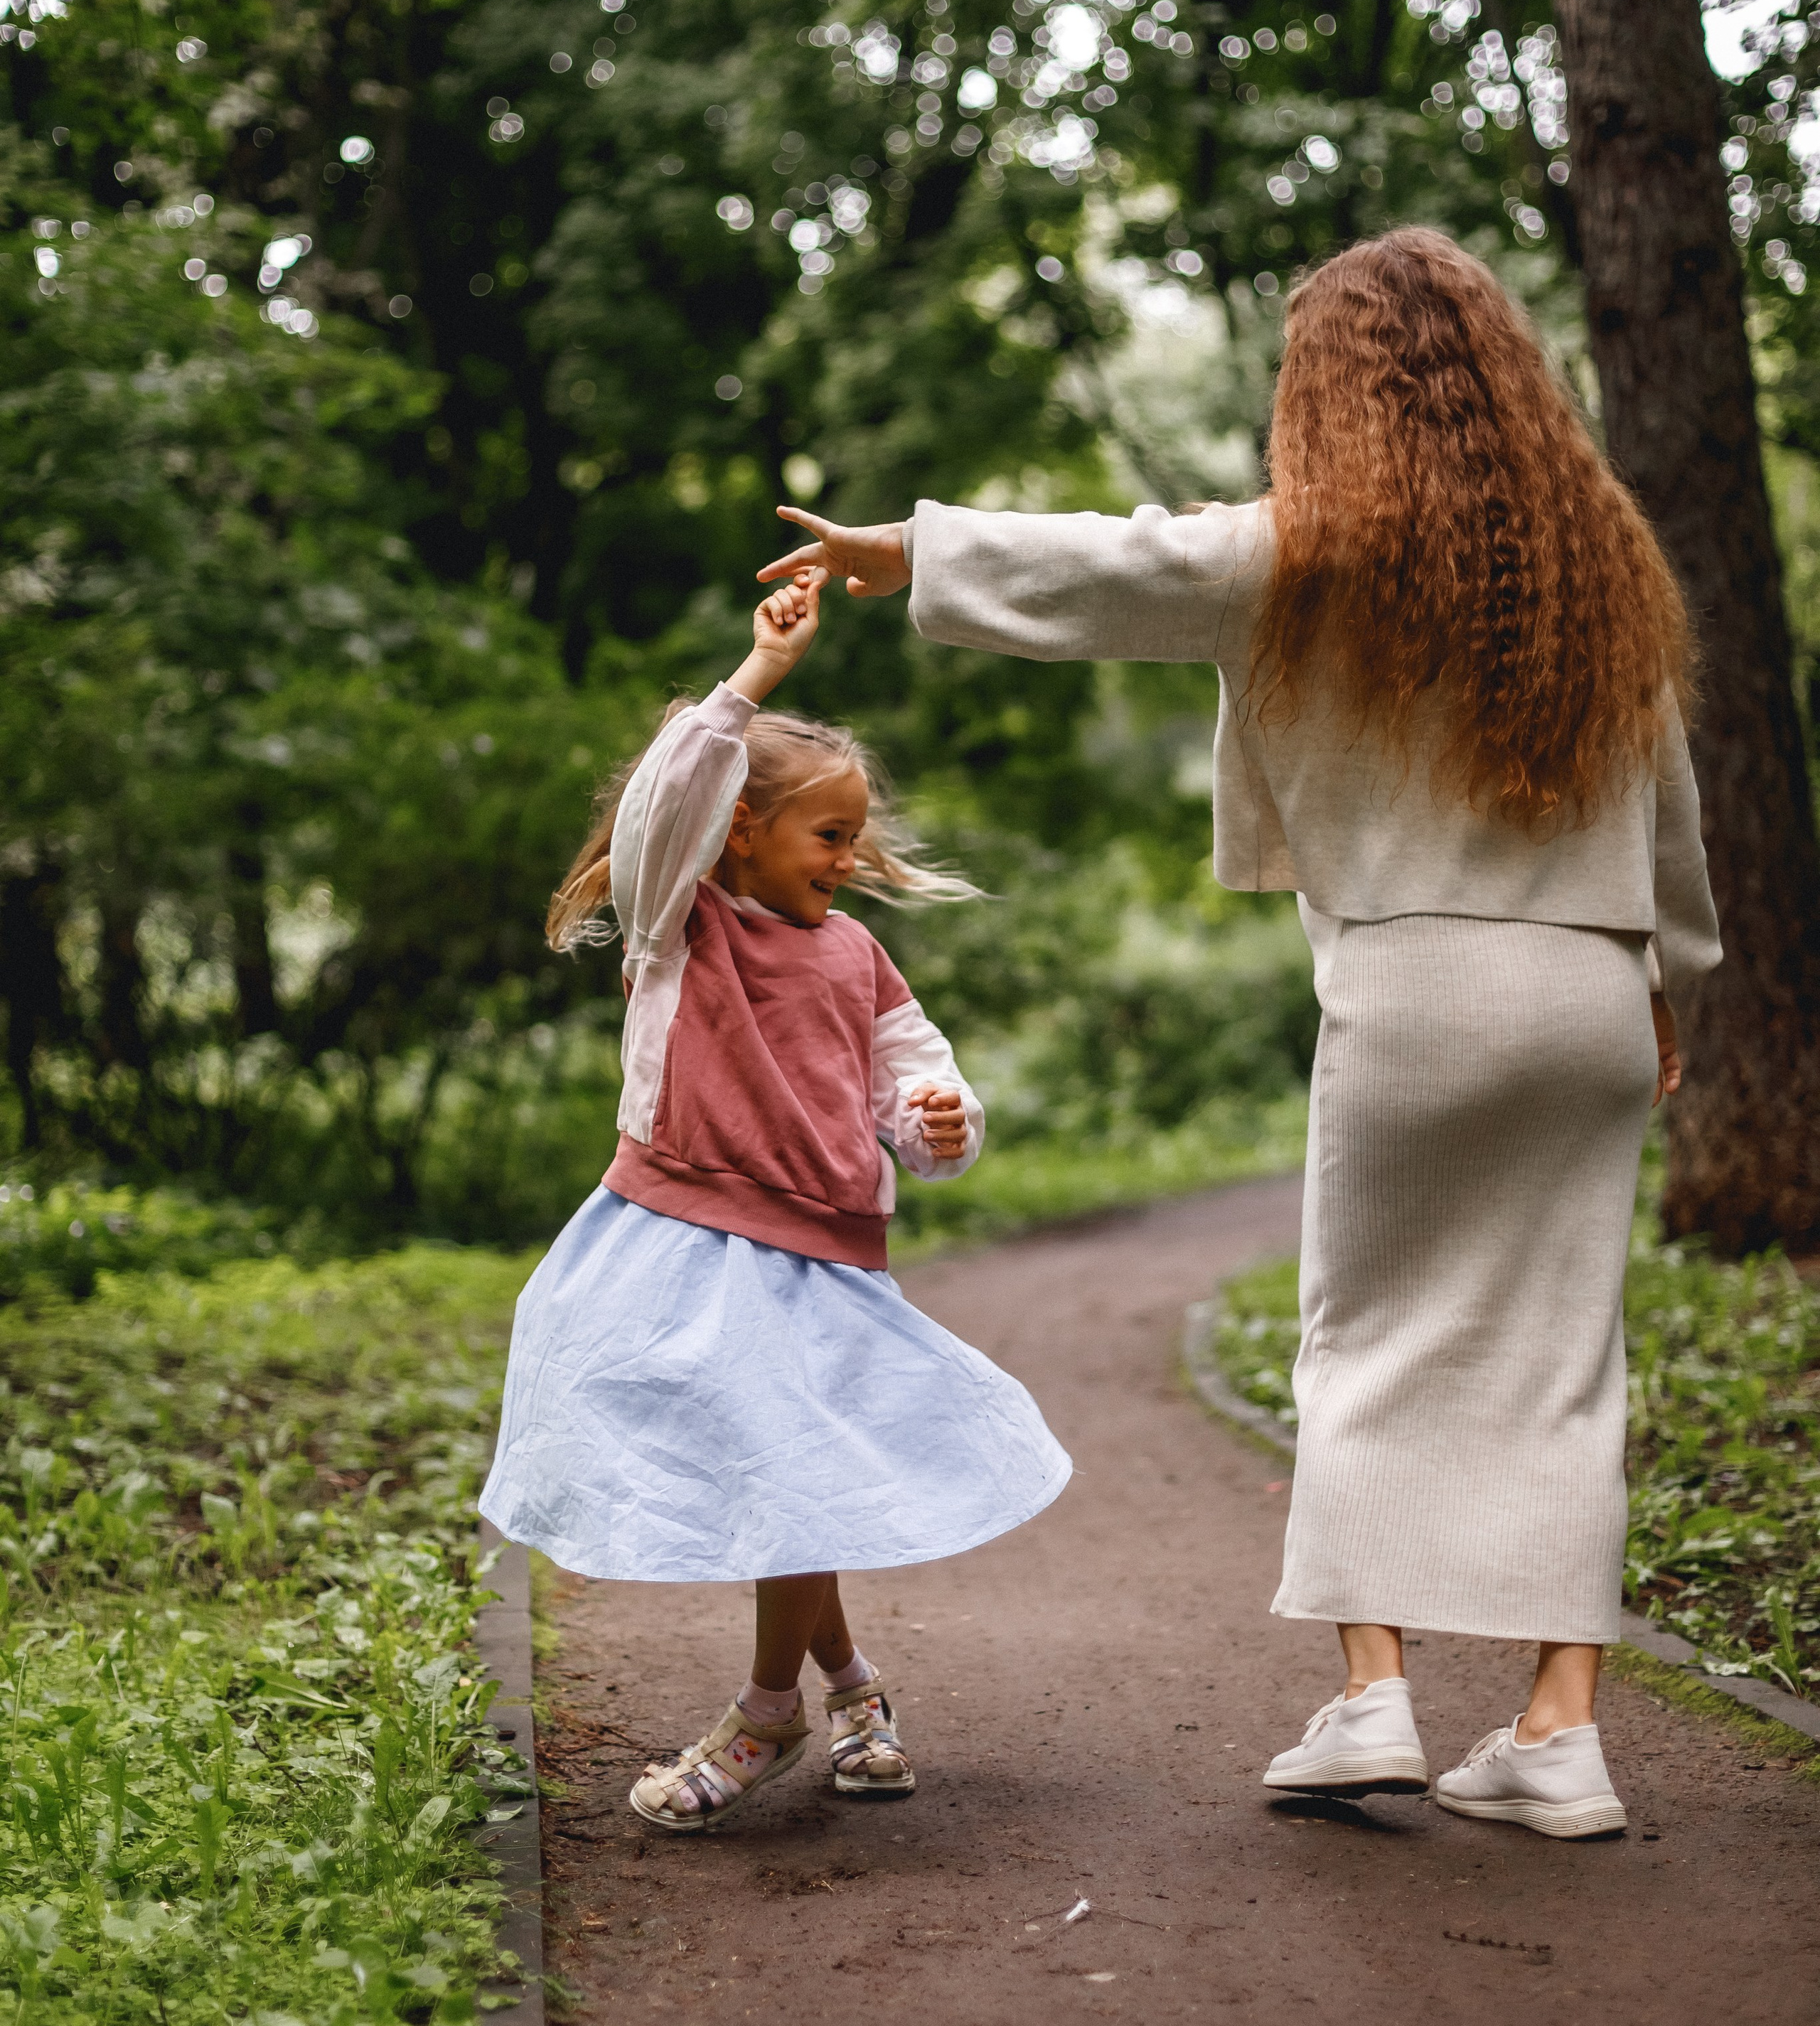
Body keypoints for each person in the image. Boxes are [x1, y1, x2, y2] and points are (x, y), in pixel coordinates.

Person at [760, 225, 1721, 1843]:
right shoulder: (1596, 569)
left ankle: (1372, 1699)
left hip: (1415, 991)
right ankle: (1560, 1735)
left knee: (1366, 1335)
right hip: (1586, 990)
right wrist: (1667, 978)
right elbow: (1671, 810)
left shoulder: (1296, 556)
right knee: (1568, 1359)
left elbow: (1107, 566)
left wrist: (905, 551)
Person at [479, 566, 1070, 1834]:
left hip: (819, 1256)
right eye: (829, 837)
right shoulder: (676, 924)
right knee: (783, 1469)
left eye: (857, 839)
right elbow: (662, 806)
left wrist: (940, 1124)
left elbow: (915, 1078)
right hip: (678, 1232)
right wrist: (755, 679)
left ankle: (771, 1711)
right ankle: (848, 1689)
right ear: (741, 829)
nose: (850, 861)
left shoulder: (857, 955)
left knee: (796, 1471)